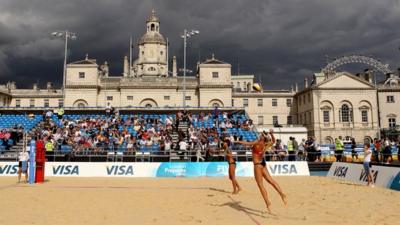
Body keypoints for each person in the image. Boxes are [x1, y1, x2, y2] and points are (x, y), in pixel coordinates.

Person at [236, 129, 287, 213]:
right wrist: (271, 134)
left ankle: (268, 203)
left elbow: (247, 143)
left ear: (262, 137)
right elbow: (273, 141)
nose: (260, 135)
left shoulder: (257, 142)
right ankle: (282, 194)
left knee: (260, 185)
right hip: (263, 163)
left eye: (261, 135)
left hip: (257, 165)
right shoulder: (265, 144)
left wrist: (238, 141)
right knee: (271, 181)